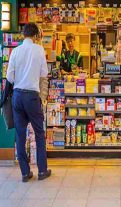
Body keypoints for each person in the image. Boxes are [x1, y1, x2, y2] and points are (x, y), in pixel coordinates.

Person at [7, 23, 51, 182]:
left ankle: (25, 173)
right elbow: (43, 75)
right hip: (32, 96)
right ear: (35, 35)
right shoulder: (39, 50)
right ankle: (42, 171)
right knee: (39, 133)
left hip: (17, 96)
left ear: (24, 34)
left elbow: (10, 78)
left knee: (20, 135)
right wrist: (43, 97)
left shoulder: (16, 51)